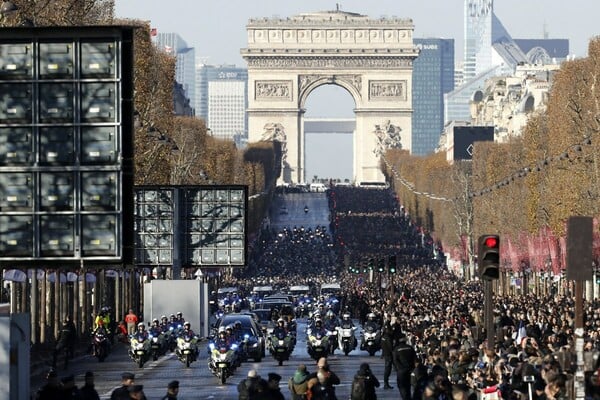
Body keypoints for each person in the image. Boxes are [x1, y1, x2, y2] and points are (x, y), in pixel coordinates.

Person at [392, 333, 417, 400]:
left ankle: (405, 397)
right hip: (410, 369)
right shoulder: (410, 348)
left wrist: (398, 368)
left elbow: (395, 360)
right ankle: (408, 397)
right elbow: (415, 358)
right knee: (408, 385)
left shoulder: (396, 349)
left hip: (401, 370)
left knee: (402, 386)